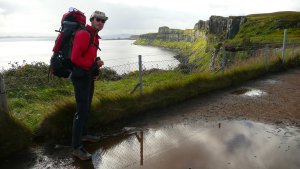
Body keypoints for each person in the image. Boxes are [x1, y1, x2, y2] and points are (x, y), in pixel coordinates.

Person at [70, 10, 108, 161]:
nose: (101, 22)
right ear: (91, 20)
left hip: (87, 76)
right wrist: (94, 64)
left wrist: (95, 70)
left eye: (103, 21)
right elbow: (75, 58)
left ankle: (84, 134)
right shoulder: (84, 34)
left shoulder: (94, 36)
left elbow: (90, 56)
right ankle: (76, 148)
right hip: (80, 77)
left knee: (87, 107)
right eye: (98, 19)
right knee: (81, 111)